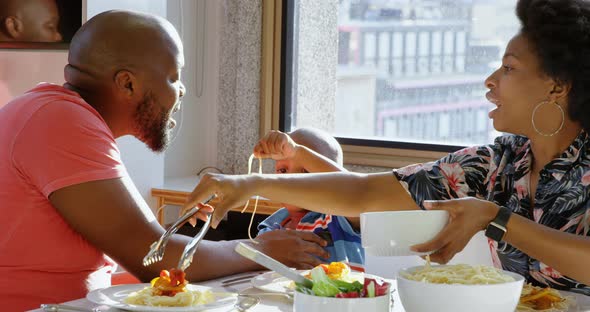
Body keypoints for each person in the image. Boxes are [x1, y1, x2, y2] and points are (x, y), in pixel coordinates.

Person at [183, 0, 590, 295]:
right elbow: (363, 193)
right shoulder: (497, 162)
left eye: (509, 67)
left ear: (557, 85)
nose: (490, 80)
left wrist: (496, 219)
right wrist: (249, 184)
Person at [0, 10, 329, 311]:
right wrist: (261, 250)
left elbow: (147, 244)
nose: (182, 91)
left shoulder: (54, 112)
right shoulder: (61, 120)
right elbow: (152, 256)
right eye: (173, 76)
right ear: (128, 83)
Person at [255, 128, 365, 270]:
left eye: (307, 171)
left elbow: (354, 192)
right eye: (283, 171)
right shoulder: (269, 229)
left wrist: (296, 151)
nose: (292, 179)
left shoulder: (340, 216)